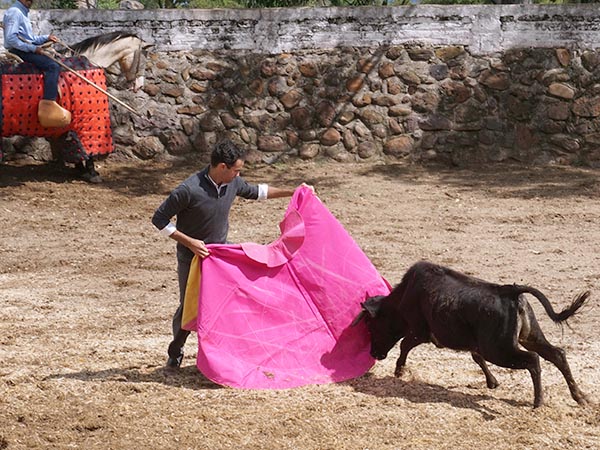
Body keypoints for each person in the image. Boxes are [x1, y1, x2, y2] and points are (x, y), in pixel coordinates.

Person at [152, 139, 311, 368]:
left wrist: (294, 191)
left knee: (226, 303)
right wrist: (189, 242)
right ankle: (175, 351)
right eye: (236, 170)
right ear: (222, 167)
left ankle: (223, 353)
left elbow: (259, 192)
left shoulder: (232, 183)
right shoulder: (188, 189)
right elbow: (159, 219)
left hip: (220, 257)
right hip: (193, 257)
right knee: (189, 306)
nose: (239, 175)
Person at [3, 0, 70, 127]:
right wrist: (34, 49)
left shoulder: (22, 12)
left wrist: (46, 38)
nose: (31, 2)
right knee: (53, 66)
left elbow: (30, 39)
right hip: (19, 51)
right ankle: (48, 105)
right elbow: (12, 40)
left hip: (24, 48)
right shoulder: (15, 12)